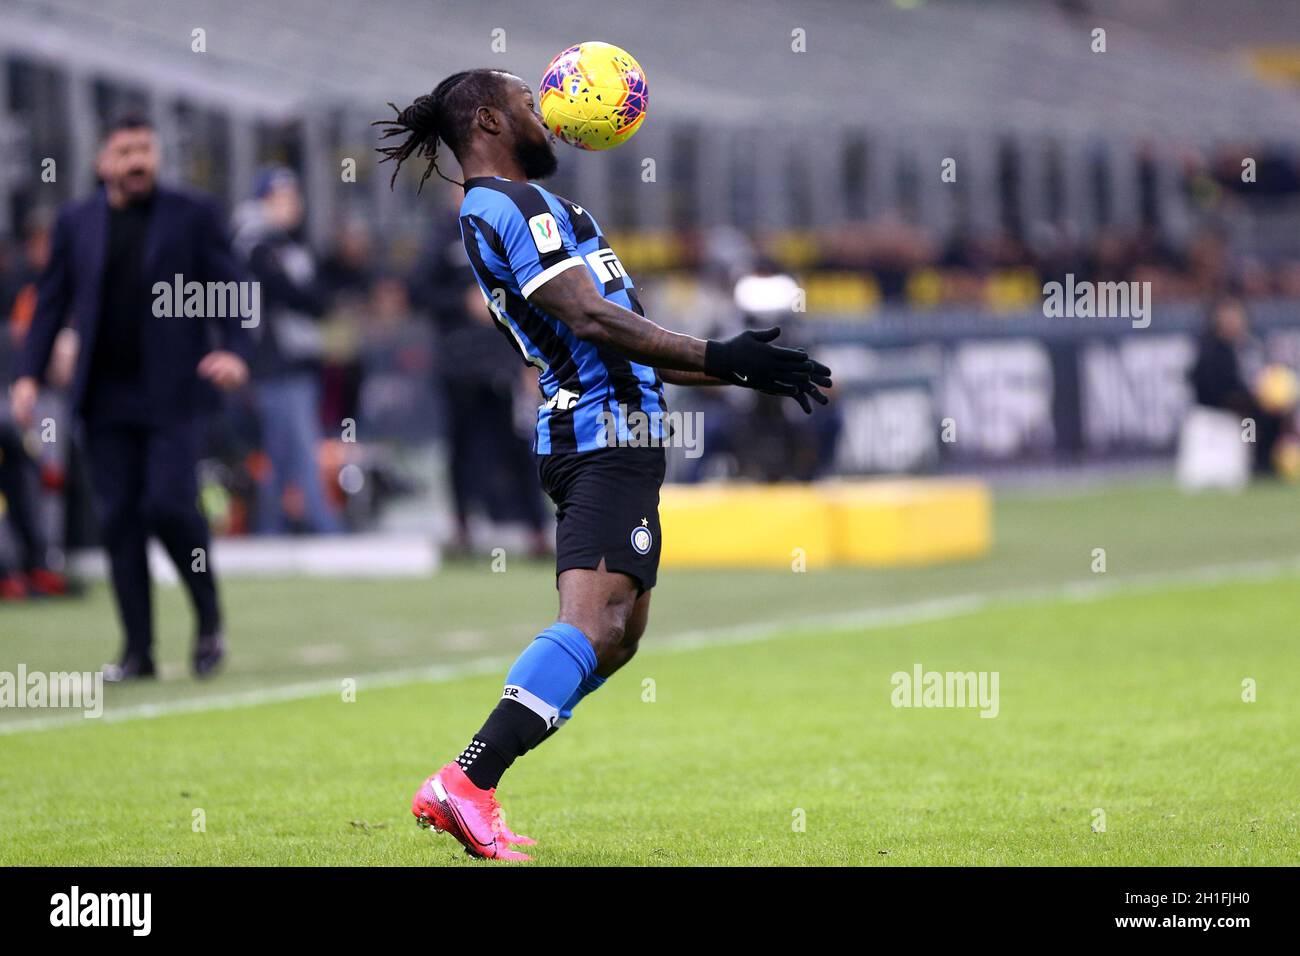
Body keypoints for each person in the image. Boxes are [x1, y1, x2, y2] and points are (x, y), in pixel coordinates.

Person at [373, 69, 832, 860]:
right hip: (598, 435)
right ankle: (467, 781)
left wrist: (740, 368)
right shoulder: (507, 206)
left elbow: (626, 336)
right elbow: (587, 317)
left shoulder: (538, 207)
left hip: (618, 431)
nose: (545, 112)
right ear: (487, 119)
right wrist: (722, 351)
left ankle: (470, 782)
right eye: (526, 100)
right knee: (592, 623)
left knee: (620, 635)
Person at [9, 112, 250, 681]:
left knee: (168, 505)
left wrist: (236, 351)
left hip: (174, 393)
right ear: (102, 163)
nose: (137, 161)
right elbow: (50, 302)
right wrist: (27, 375)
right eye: (125, 152)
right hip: (102, 396)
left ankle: (208, 621)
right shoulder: (75, 221)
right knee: (118, 521)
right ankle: (138, 650)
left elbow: (233, 288)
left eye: (145, 149)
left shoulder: (192, 214)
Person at [235, 168, 342, 534]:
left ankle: (270, 531)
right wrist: (317, 302)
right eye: (282, 199)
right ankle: (326, 529)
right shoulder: (255, 245)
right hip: (274, 364)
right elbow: (294, 294)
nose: (292, 206)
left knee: (283, 455)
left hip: (292, 361)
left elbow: (314, 294)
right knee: (300, 449)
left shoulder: (284, 243)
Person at [1188, 297, 1280, 474]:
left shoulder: (1251, 346)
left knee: (1272, 413)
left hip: (1250, 402)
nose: (1233, 321)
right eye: (1227, 316)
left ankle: (1270, 458)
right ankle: (1254, 460)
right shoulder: (1211, 349)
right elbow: (1210, 387)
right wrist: (1243, 399)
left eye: (1236, 316)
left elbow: (1263, 374)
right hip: (1221, 407)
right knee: (1251, 420)